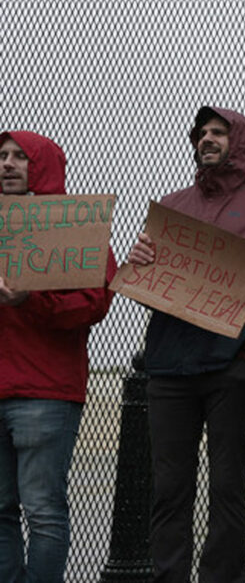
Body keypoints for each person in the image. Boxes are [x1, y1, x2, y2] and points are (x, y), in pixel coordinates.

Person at [125, 106, 245, 582]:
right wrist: (139, 264)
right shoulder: (172, 207)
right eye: (202, 133)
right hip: (169, 368)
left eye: (218, 132)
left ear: (238, 142)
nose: (208, 138)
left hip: (231, 371)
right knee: (169, 490)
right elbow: (155, 286)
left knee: (227, 487)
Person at [0, 131, 116, 582]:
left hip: (45, 392)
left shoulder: (74, 226)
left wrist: (32, 300)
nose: (7, 164)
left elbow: (93, 304)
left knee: (43, 510)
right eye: (2, 156)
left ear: (43, 165)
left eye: (20, 157)